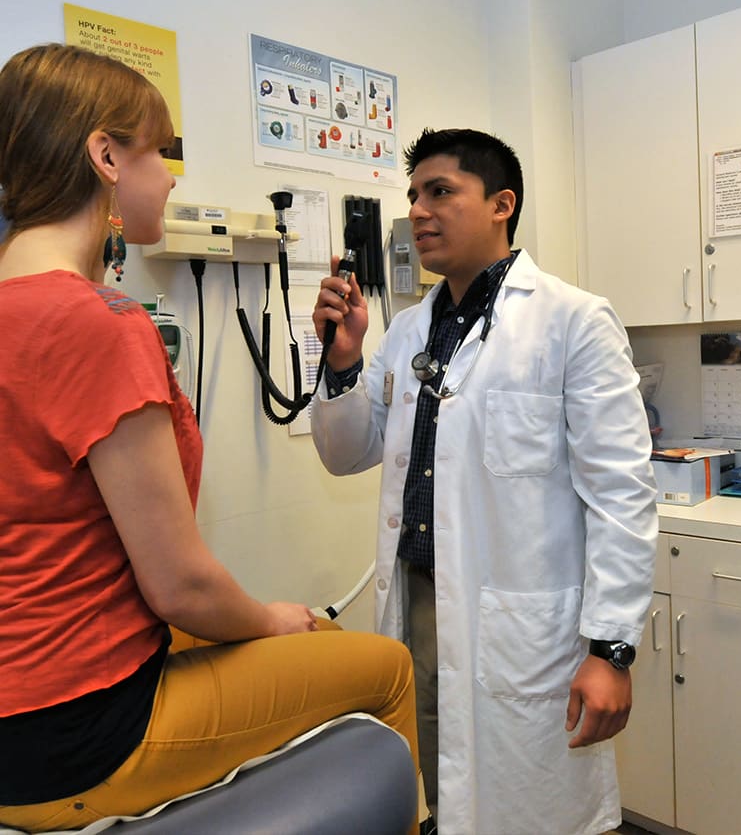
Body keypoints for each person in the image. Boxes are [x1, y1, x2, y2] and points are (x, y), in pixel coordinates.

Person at [0, 43, 420, 835]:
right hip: (80, 735)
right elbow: (179, 588)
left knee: (311, 628)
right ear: (105, 157)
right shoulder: (97, 324)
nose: (169, 176)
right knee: (387, 666)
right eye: (159, 153)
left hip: (25, 703)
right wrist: (266, 620)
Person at [311, 127, 659, 834]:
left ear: (502, 204)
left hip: (522, 618)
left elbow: (621, 495)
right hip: (419, 603)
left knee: (534, 803)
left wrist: (612, 650)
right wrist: (344, 363)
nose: (419, 211)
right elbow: (348, 453)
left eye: (441, 192)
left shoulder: (572, 321)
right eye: (413, 196)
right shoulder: (409, 331)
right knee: (442, 782)